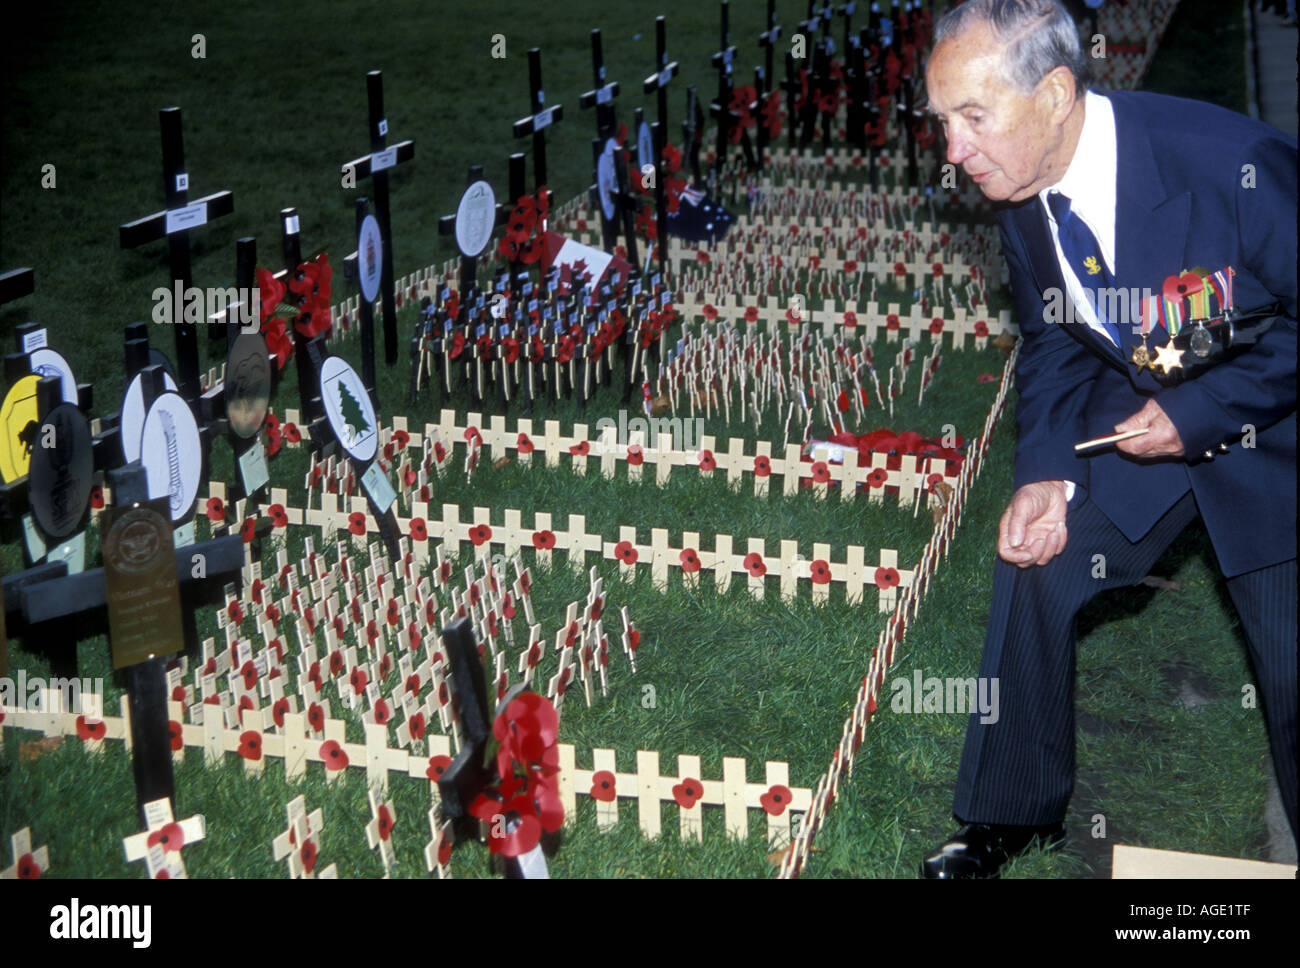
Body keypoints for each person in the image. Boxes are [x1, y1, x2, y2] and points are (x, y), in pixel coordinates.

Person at [920, 0, 1297, 878]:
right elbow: (1053, 337)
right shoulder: (1019, 187)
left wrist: (1204, 416)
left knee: (1291, 678)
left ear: (1055, 95)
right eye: (943, 122)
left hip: (1274, 431)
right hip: (1138, 418)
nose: (953, 151)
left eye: (973, 118)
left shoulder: (1233, 166)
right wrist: (1046, 473)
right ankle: (1006, 816)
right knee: (1038, 562)